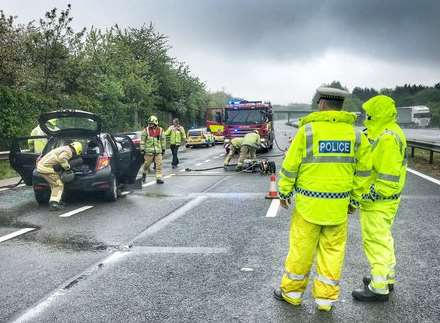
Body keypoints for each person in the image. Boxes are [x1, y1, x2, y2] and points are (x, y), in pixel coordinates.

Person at [274, 87, 371, 311]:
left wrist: (284, 192)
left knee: (301, 251)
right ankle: (325, 300)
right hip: (338, 208)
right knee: (333, 253)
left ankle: (292, 294)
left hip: (309, 207)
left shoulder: (308, 132)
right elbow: (364, 173)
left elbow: (290, 166)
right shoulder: (356, 135)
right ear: (341, 106)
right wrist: (354, 201)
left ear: (322, 104)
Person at [352, 95, 407, 302]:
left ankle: (378, 287)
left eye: (369, 113)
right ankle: (387, 277)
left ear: (377, 113)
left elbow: (387, 179)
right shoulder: (390, 131)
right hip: (387, 199)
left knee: (376, 241)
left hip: (378, 200)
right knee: (384, 238)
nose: (366, 117)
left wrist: (364, 196)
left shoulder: (386, 138)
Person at [36, 141, 83, 211]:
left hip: (41, 167)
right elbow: (62, 158)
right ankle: (54, 204)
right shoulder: (69, 152)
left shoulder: (64, 148)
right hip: (46, 169)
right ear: (77, 150)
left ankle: (56, 200)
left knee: (54, 185)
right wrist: (67, 168)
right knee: (58, 185)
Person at [141, 115, 166, 184]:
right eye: (149, 123)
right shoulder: (146, 130)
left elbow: (163, 140)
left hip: (158, 152)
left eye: (151, 123)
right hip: (148, 152)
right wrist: (142, 149)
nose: (150, 125)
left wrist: (163, 149)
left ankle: (158, 178)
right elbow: (142, 141)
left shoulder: (160, 130)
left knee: (159, 165)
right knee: (147, 165)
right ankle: (144, 174)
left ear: (155, 123)